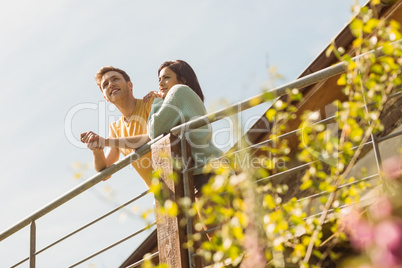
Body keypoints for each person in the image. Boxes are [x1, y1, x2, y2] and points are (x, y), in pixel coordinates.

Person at [145, 59, 223, 194]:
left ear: (182, 79)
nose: (160, 83)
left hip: (207, 173)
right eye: (159, 80)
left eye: (166, 77)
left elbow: (154, 130)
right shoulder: (185, 98)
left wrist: (156, 101)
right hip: (211, 170)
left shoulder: (179, 90)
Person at [80, 66, 155, 187]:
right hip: (162, 197)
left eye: (115, 79)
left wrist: (105, 141)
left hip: (183, 181)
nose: (111, 85)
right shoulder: (116, 128)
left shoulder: (150, 103)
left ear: (130, 85)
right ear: (106, 98)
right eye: (105, 85)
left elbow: (154, 136)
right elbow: (104, 172)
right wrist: (97, 149)